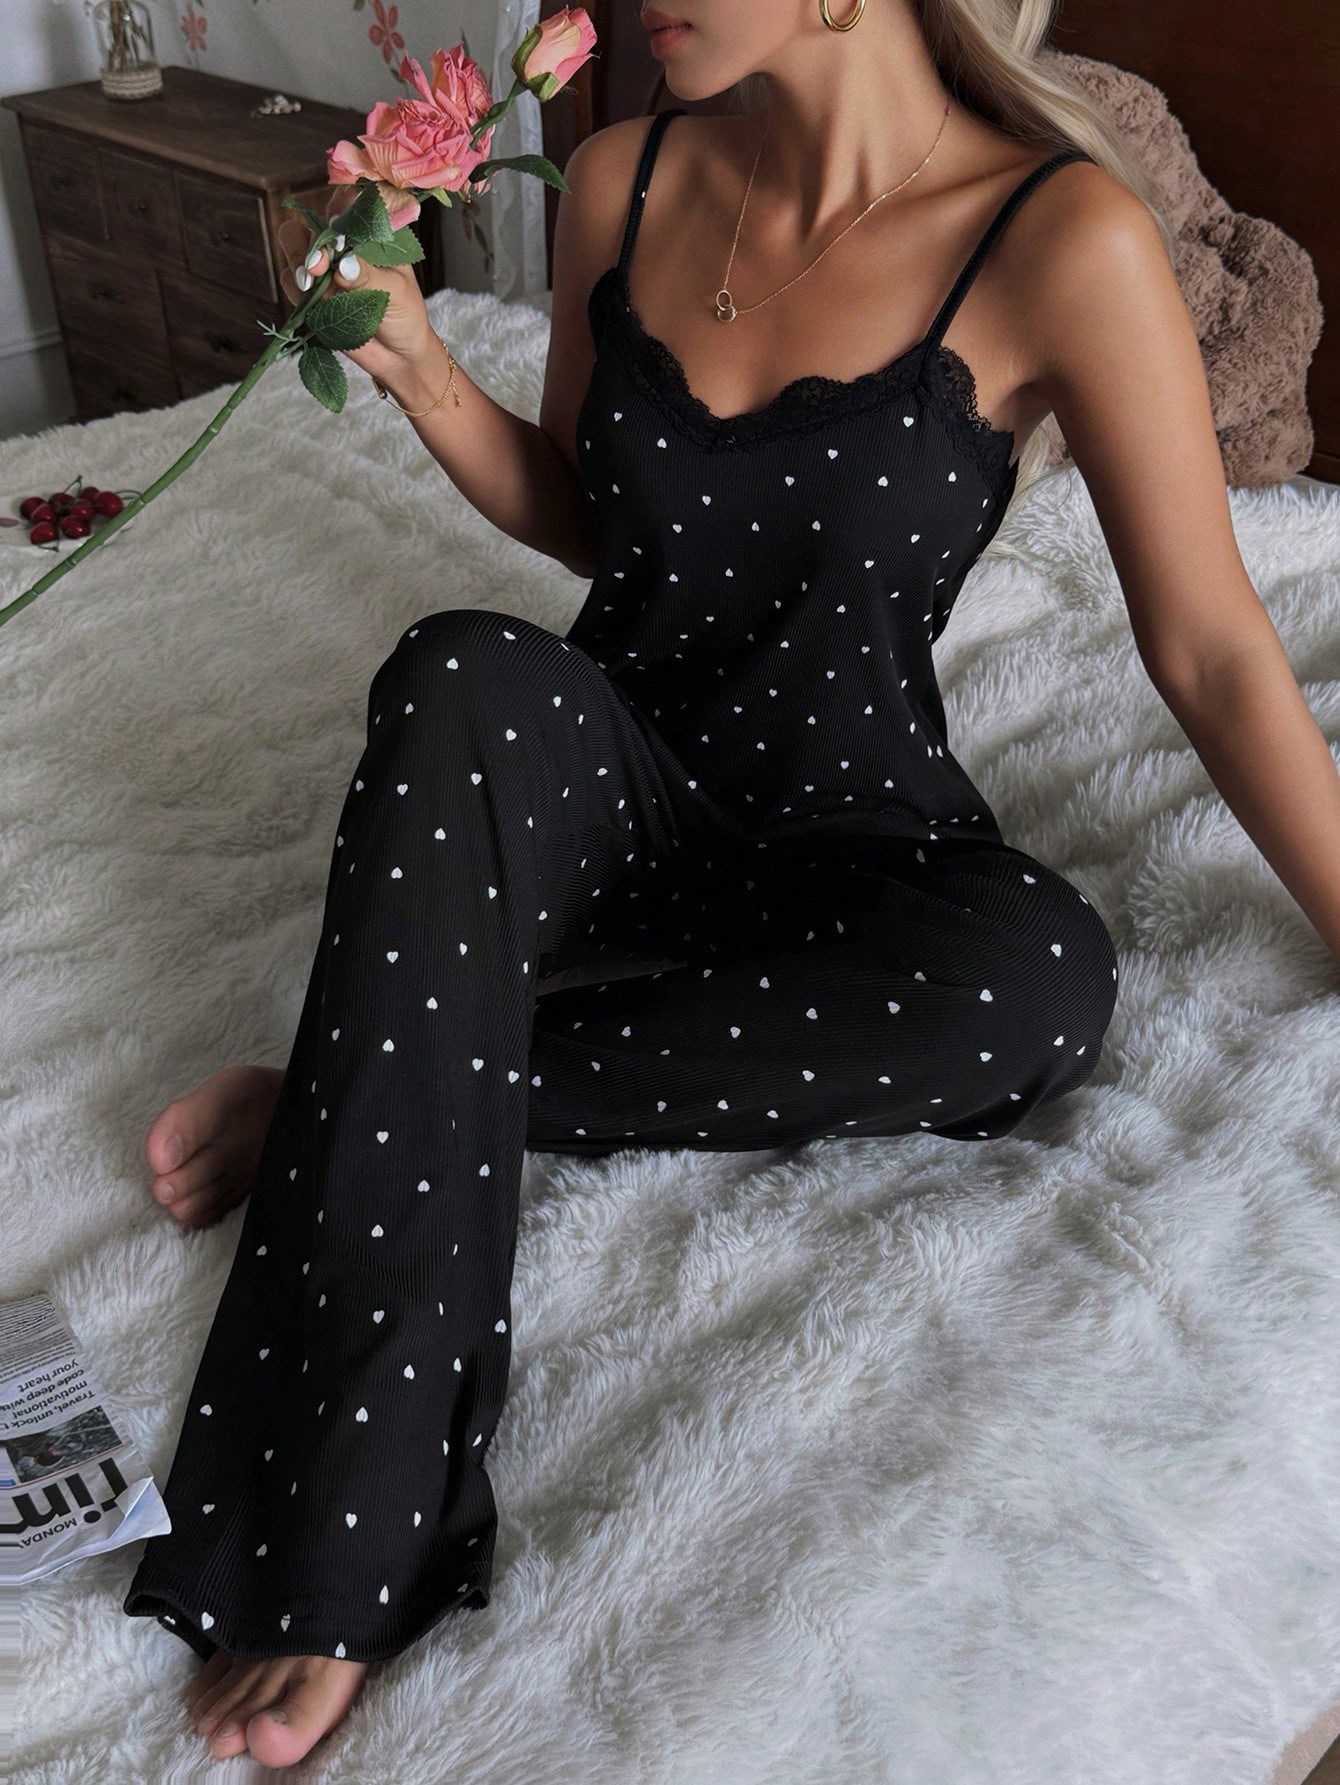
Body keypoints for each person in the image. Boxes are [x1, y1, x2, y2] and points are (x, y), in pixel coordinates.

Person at [125, 0, 1252, 1768]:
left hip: (857, 834)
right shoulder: (621, 178)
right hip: (614, 788)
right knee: (461, 670)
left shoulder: (1059, 237)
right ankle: (344, 1544)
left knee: (1041, 976)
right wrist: (419, 365)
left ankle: (372, 1087)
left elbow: (1214, 650)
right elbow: (598, 514)